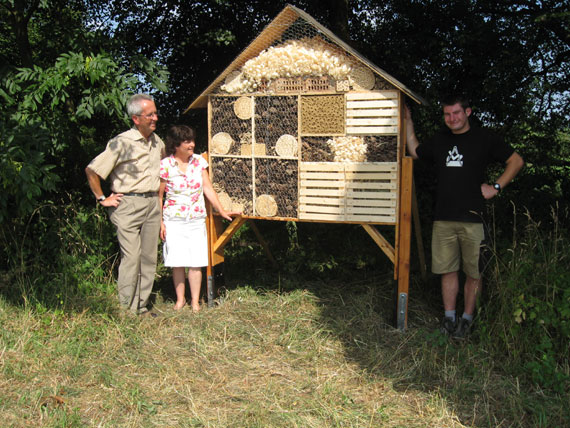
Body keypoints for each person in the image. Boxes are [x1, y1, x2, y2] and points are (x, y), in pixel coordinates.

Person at [405, 94, 524, 338]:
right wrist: (408, 122)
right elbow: (416, 151)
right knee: (447, 270)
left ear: (467, 112)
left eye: (457, 113)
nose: (452, 118)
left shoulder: (484, 138)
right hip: (444, 218)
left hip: (473, 218)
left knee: (474, 273)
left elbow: (516, 161)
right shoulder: (440, 140)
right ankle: (449, 319)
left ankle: (467, 320)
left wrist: (496, 187)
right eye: (447, 114)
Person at [85, 93, 165, 316]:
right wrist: (103, 199)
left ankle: (141, 305)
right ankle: (126, 310)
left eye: (155, 113)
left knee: (149, 257)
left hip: (152, 204)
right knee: (132, 256)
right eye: (150, 115)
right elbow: (92, 170)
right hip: (127, 204)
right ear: (136, 118)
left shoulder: (158, 142)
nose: (155, 118)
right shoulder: (122, 142)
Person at [159, 125, 239, 312]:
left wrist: (222, 210)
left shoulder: (199, 162)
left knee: (196, 262)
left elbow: (208, 188)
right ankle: (180, 300)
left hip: (196, 218)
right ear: (176, 144)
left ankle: (195, 301)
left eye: (192, 140)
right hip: (174, 219)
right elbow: (159, 196)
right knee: (177, 261)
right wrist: (160, 222)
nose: (192, 144)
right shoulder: (165, 165)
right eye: (187, 141)